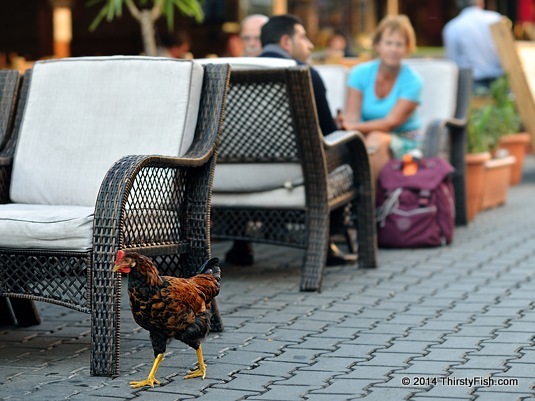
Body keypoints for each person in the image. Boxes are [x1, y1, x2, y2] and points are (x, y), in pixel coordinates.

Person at [225, 14, 352, 267]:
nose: (311, 45)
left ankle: (240, 244)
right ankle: (326, 241)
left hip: (236, 177)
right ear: (286, 41)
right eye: (303, 37)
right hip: (297, 178)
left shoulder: (231, 72)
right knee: (347, 149)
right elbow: (328, 133)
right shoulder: (306, 74)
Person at [342, 14, 423, 181]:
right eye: (388, 43)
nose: (393, 49)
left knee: (376, 140)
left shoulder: (414, 81)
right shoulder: (359, 73)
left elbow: (390, 123)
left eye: (399, 44)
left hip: (405, 140)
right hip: (364, 137)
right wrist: (349, 126)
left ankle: (370, 203)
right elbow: (351, 118)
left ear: (407, 48)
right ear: (377, 45)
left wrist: (353, 128)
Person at [442, 0, 504, 94]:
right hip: (500, 81)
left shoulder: (452, 27)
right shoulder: (496, 19)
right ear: (480, 3)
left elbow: (452, 63)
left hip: (472, 83)